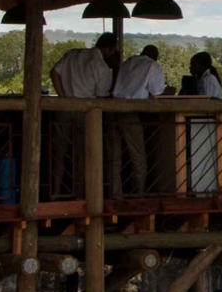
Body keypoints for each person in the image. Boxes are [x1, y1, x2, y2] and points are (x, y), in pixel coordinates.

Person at [48, 33, 120, 193]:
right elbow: (102, 95)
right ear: (109, 49)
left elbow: (54, 72)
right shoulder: (101, 66)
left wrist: (63, 97)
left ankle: (55, 192)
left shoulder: (73, 53)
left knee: (59, 154)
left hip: (64, 108)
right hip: (86, 112)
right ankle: (80, 195)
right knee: (83, 154)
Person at [109, 44, 165, 195]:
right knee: (138, 156)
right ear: (155, 56)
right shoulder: (152, 65)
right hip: (130, 113)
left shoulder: (128, 62)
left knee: (114, 158)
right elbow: (157, 91)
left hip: (113, 110)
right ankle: (139, 193)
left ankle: (116, 193)